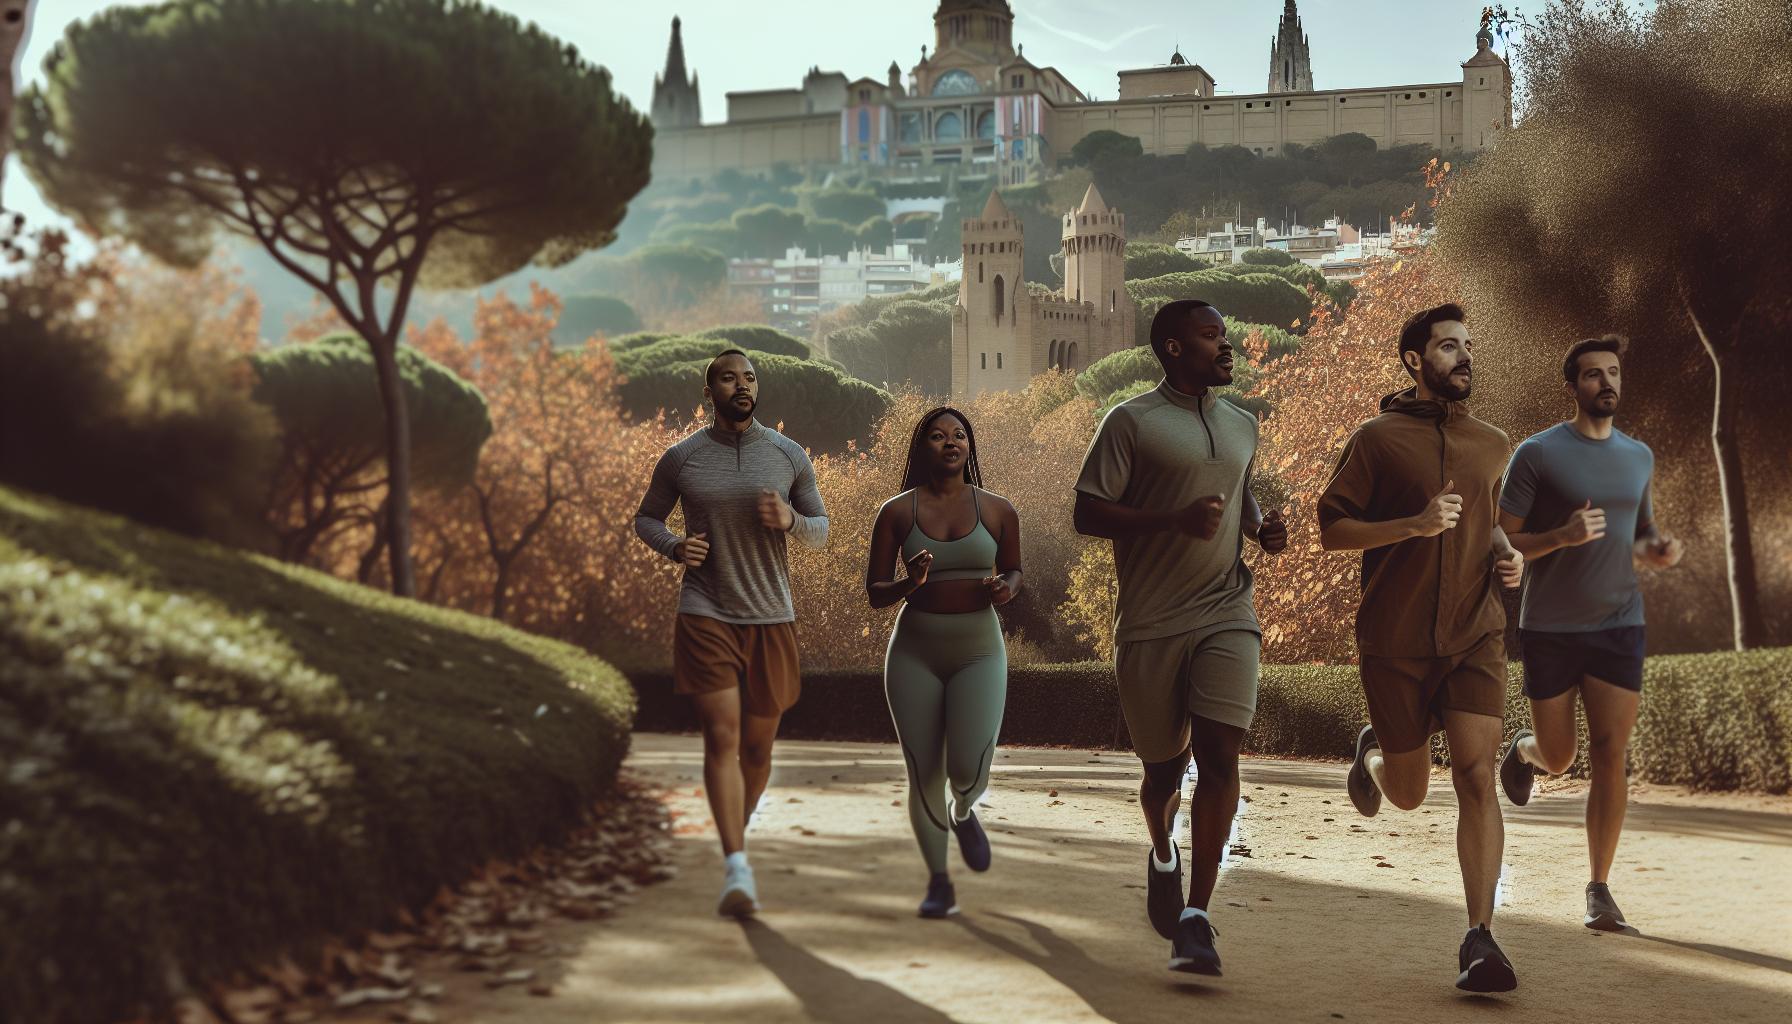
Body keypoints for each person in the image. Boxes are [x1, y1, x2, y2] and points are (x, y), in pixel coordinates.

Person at [1072, 299, 1288, 976]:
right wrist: (1173, 519)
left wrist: (1260, 530)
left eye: (1226, 335)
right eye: (1210, 336)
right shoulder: (1130, 421)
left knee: (1221, 756)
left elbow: (1239, 491)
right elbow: (1087, 510)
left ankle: (1197, 918)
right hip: (1151, 623)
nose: (1225, 346)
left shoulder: (1242, 422)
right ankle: (1162, 848)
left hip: (1227, 609)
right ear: (1171, 347)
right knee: (1162, 771)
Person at [1317, 302, 1525, 993]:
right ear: (1415, 361)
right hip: (1395, 642)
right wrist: (1412, 524)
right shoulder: (1375, 440)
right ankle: (1372, 753)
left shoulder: (1493, 442)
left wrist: (1507, 556)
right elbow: (1334, 530)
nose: (1464, 357)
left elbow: (1487, 523)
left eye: (1468, 345)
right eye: (1448, 347)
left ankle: (1480, 938)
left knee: (1474, 776)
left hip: (1475, 634)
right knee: (1407, 794)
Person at [1494, 335, 1683, 932]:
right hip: (1549, 626)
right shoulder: (1538, 454)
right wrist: (1561, 538)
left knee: (1610, 753)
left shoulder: (1638, 457)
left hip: (1619, 625)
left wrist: (1658, 549)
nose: (1607, 383)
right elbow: (1501, 540)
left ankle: (1599, 888)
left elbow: (1640, 531)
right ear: (1572, 385)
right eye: (1594, 374)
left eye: (1614, 373)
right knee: (1561, 754)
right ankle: (1524, 752)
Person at [634, 349, 829, 917]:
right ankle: (736, 867)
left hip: (771, 613)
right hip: (705, 608)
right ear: (708, 391)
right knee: (721, 737)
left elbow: (821, 529)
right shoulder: (682, 458)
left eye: (749, 377)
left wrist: (791, 521)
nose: (742, 385)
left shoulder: (788, 454)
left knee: (758, 749)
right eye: (729, 378)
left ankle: (732, 830)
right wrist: (674, 545)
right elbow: (646, 517)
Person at [865, 407, 1022, 918]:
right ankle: (938, 881)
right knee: (923, 769)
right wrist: (909, 583)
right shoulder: (895, 513)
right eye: (937, 436)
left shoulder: (1000, 511)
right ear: (921, 448)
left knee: (966, 766)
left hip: (979, 648)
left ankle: (964, 809)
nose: (950, 442)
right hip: (914, 652)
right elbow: (875, 592)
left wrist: (1005, 587)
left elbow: (1016, 572)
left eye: (959, 436)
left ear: (970, 448)